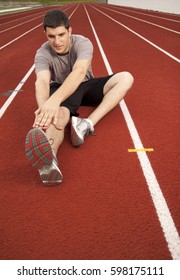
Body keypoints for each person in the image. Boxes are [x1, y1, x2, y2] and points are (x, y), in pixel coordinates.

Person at [25, 9, 134, 186]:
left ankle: (86, 124)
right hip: (60, 87)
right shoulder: (42, 53)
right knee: (58, 114)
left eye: (61, 34)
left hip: (84, 84)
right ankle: (49, 159)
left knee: (126, 77)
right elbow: (42, 82)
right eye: (51, 36)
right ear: (45, 34)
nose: (57, 41)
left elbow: (80, 71)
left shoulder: (82, 43)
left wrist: (53, 100)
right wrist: (45, 107)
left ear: (70, 31)